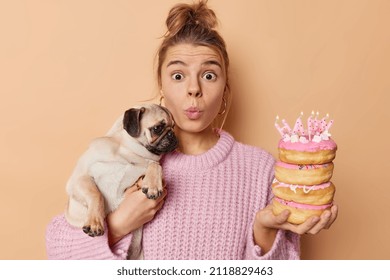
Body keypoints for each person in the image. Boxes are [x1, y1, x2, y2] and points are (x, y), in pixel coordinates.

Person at [46, 0, 338, 260]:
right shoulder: (129, 162)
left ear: (225, 88)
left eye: (209, 75)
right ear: (161, 85)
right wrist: (119, 224)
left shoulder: (261, 170)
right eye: (178, 75)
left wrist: (262, 229)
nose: (194, 89)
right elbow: (58, 253)